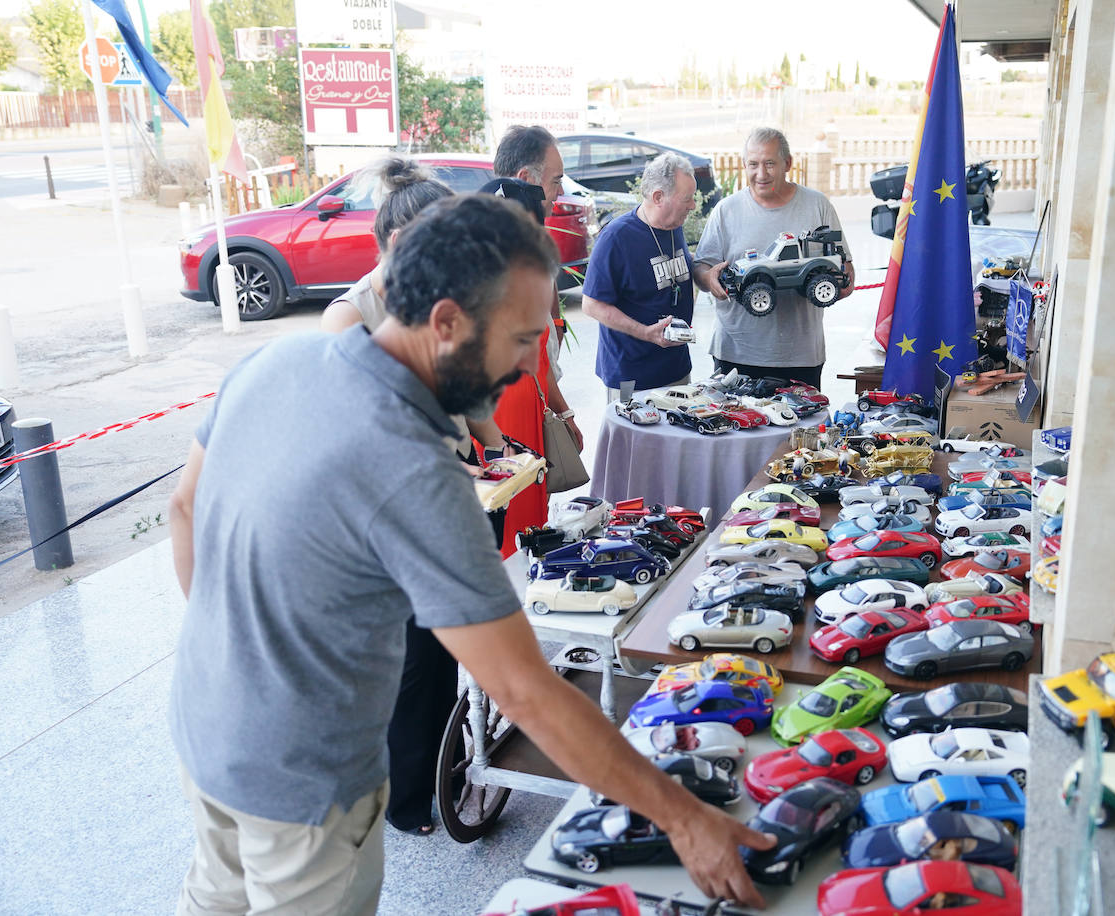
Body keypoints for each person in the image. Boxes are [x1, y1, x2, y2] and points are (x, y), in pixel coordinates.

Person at [168, 194, 774, 914]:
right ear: (448, 321)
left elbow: (183, 511)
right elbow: (522, 691)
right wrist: (682, 816)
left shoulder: (277, 361)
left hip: (203, 724)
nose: (525, 366)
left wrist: (240, 654)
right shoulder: (414, 472)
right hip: (305, 783)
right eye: (520, 340)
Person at [320, 156, 492, 838]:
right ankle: (409, 797)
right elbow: (350, 434)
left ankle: (441, 769)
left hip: (447, 495)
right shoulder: (347, 317)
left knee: (443, 648)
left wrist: (495, 446)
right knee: (415, 660)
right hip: (383, 517)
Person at [693, 127, 856, 390]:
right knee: (733, 425)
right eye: (753, 164)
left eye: (770, 163)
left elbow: (845, 267)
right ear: (744, 165)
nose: (761, 174)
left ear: (788, 163)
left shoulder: (817, 205)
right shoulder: (726, 210)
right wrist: (708, 278)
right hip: (736, 352)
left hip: (800, 355)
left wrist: (838, 283)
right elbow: (702, 267)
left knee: (800, 430)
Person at [487, 125, 581, 545]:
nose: (560, 193)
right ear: (525, 182)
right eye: (556, 181)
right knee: (509, 536)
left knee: (531, 530)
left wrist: (561, 413)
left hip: (530, 424)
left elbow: (541, 359)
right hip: (499, 434)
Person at [581, 151, 697, 400]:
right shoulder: (616, 237)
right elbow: (591, 305)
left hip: (676, 369)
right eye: (687, 198)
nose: (693, 205)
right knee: (634, 438)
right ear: (658, 197)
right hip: (632, 377)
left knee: (680, 438)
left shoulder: (673, 225)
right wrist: (646, 333)